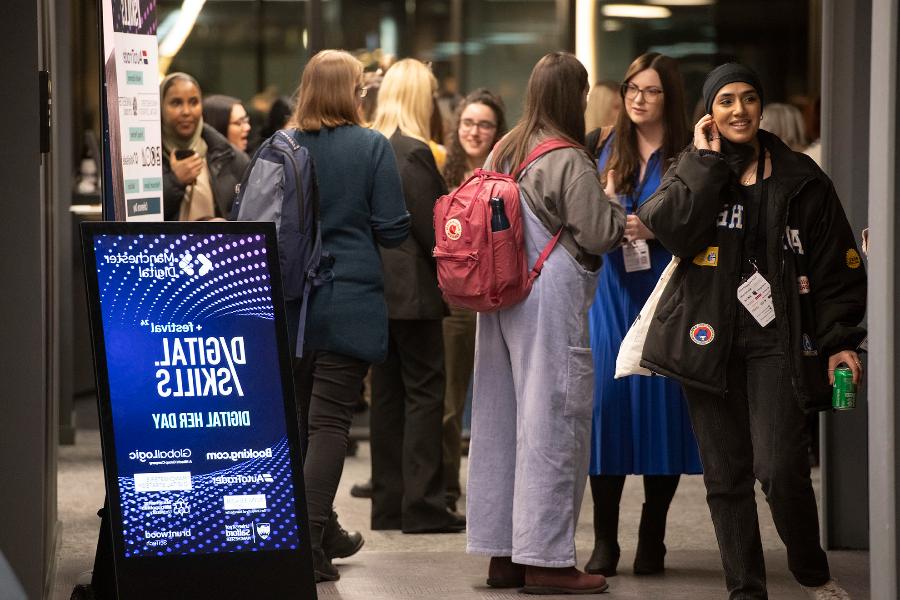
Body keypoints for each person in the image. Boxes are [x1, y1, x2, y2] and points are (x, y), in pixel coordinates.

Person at [636, 63, 866, 600]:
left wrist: (840, 342)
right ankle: (745, 589)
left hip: (777, 344)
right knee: (725, 476)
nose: (738, 110)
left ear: (761, 107)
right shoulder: (693, 168)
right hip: (705, 342)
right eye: (725, 101)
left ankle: (811, 570)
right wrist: (704, 164)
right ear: (708, 114)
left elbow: (836, 268)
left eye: (748, 98)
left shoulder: (801, 178)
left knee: (780, 468)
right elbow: (668, 227)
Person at [466, 52, 625, 595]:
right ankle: (548, 563)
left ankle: (503, 556)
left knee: (500, 424)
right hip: (546, 295)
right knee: (555, 420)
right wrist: (614, 202)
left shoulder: (505, 146)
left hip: (497, 291)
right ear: (571, 97)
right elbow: (601, 232)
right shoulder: (567, 156)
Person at [285, 49, 411, 582]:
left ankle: (320, 529)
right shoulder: (370, 146)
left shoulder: (284, 145)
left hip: (289, 304)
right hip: (347, 298)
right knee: (331, 422)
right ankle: (310, 545)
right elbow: (393, 228)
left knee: (297, 424)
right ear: (351, 92)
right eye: (361, 86)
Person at [584, 52, 702, 579]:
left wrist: (659, 230)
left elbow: (709, 224)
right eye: (632, 87)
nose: (637, 98)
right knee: (607, 410)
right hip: (610, 293)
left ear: (668, 97)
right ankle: (605, 540)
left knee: (661, 411)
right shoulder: (601, 144)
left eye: (650, 90)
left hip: (668, 295)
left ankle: (652, 536)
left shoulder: (689, 154)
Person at [367, 58, 465, 534]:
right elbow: (433, 229)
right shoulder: (415, 151)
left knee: (386, 397)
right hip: (414, 293)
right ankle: (423, 506)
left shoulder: (371, 145)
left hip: (374, 293)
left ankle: (388, 505)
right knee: (425, 395)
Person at [439, 88, 507, 514]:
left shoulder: (507, 173)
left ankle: (494, 490)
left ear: (497, 130)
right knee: (449, 402)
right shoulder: (440, 170)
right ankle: (446, 489)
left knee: (497, 399)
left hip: (500, 298)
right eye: (468, 122)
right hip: (453, 303)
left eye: (484, 124)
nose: (475, 131)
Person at [160, 73, 249, 220]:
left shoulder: (230, 158)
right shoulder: (147, 160)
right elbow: (137, 222)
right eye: (176, 103)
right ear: (161, 107)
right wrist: (175, 181)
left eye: (194, 102)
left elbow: (251, 219)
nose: (186, 112)